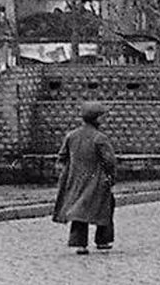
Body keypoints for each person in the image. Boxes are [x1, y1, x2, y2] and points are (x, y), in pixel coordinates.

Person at [53, 101, 117, 254]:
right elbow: (109, 161)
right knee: (105, 207)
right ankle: (103, 240)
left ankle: (79, 243)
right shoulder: (100, 138)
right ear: (97, 118)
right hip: (97, 179)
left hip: (76, 180)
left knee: (79, 211)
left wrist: (65, 174)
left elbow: (62, 157)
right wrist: (111, 177)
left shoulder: (71, 136)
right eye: (103, 116)